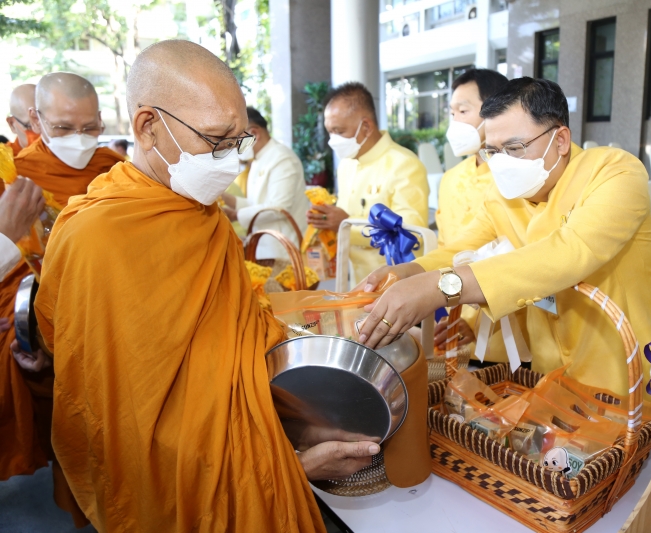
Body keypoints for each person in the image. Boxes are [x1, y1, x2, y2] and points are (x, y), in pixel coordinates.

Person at [32, 40, 378, 532]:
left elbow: (237, 344)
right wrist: (284, 468)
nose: (231, 161)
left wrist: (305, 418)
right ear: (148, 127)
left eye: (239, 141)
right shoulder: (98, 238)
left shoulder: (204, 217)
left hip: (242, 444)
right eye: (216, 141)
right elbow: (128, 425)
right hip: (182, 487)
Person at [356, 77, 651, 401]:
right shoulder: (501, 194)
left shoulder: (615, 172)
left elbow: (569, 252)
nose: (501, 163)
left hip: (641, 372)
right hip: (553, 378)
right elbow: (461, 247)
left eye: (514, 148)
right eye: (492, 151)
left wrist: (439, 288)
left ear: (559, 140)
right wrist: (409, 272)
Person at [0, 72, 125, 528]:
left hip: (118, 322)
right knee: (77, 436)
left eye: (90, 127)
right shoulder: (15, 177)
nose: (80, 139)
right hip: (49, 326)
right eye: (64, 128)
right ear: (36, 119)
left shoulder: (116, 167)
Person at [306, 82, 429, 286]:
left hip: (394, 283)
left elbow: (413, 231)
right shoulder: (346, 164)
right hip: (354, 279)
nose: (332, 140)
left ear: (366, 127)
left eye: (339, 131)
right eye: (330, 132)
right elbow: (344, 214)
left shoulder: (404, 164)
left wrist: (346, 224)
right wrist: (326, 217)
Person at [433, 68, 508, 357]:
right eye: (452, 113)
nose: (455, 122)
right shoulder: (450, 178)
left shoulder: (514, 178)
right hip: (453, 325)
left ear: (495, 110)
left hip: (505, 333)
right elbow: (446, 249)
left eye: (463, 111)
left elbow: (516, 260)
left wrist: (474, 322)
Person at [221, 106, 308, 260]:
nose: (234, 148)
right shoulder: (258, 159)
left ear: (254, 133)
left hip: (284, 249)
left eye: (236, 142)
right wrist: (226, 198)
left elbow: (279, 208)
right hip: (266, 246)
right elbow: (257, 203)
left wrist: (235, 215)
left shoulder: (282, 158)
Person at [5, 83, 39, 155]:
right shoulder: (5, 162)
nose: (44, 134)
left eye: (47, 123)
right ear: (12, 124)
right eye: (30, 125)